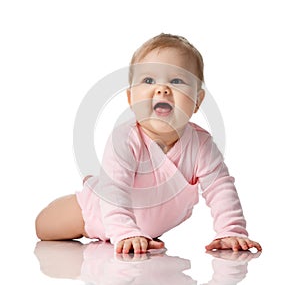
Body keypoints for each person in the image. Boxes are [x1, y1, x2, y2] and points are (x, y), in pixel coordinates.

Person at [35, 33, 262, 254]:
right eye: (149, 80)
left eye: (176, 80)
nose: (162, 89)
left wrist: (230, 231)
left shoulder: (201, 145)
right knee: (44, 226)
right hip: (97, 211)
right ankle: (93, 185)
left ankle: (106, 191)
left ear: (197, 101)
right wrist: (125, 232)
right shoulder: (124, 139)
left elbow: (220, 188)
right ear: (131, 98)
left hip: (144, 229)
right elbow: (114, 191)